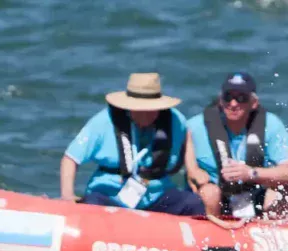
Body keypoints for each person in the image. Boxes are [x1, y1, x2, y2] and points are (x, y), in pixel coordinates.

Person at [60, 72, 206, 216]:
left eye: (151, 110)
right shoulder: (103, 122)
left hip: (157, 196)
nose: (145, 115)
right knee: (92, 204)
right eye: (140, 109)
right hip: (111, 197)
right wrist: (68, 195)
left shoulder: (174, 119)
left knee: (193, 203)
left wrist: (192, 168)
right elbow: (70, 158)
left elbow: (186, 134)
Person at [184, 72, 288, 218]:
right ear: (220, 100)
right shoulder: (194, 127)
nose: (233, 104)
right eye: (228, 97)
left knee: (287, 188)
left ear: (254, 103)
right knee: (209, 193)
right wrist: (192, 171)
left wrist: (251, 173)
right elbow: (174, 159)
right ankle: (210, 235)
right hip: (216, 199)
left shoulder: (271, 124)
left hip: (255, 196)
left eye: (241, 98)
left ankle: (271, 233)